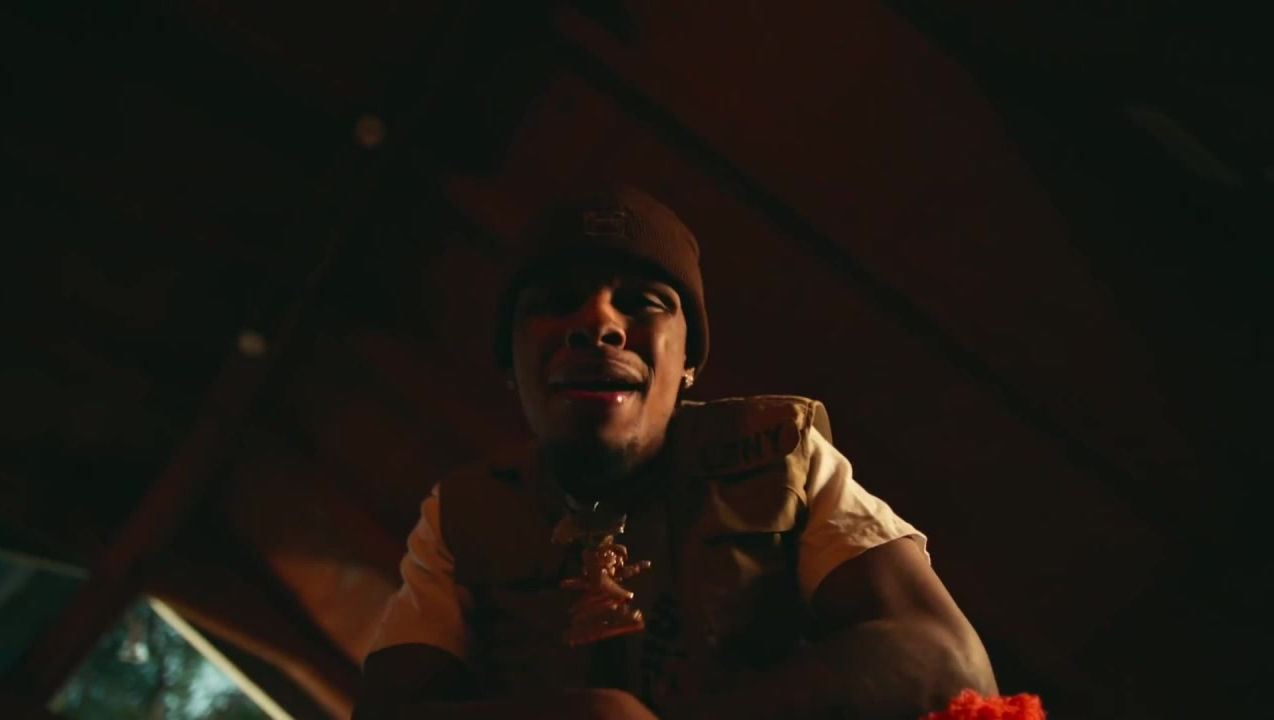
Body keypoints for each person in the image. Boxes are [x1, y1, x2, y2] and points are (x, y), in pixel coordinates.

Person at [353, 185, 997, 720]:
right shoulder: (460, 515)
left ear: (689, 361)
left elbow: (948, 661)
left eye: (643, 304)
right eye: (554, 304)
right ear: (508, 363)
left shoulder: (784, 459)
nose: (598, 323)